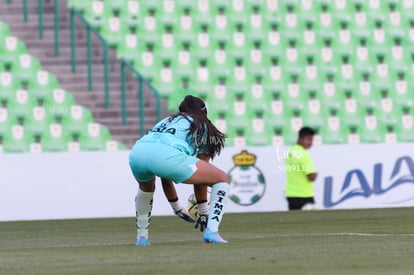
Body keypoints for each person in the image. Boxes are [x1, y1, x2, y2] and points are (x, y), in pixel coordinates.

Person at [129, 95, 229, 246]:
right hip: (164, 155)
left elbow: (164, 172)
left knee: (146, 190)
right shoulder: (201, 125)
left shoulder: (167, 120)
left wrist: (176, 207)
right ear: (204, 112)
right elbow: (202, 178)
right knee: (221, 178)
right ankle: (212, 231)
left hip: (137, 152)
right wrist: (203, 211)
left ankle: (142, 238)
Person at [284, 126, 318, 210]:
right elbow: (311, 177)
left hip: (291, 194)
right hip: (304, 195)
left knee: (293, 221)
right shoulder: (304, 154)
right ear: (301, 139)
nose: (311, 143)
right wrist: (315, 174)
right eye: (309, 140)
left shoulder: (290, 151)